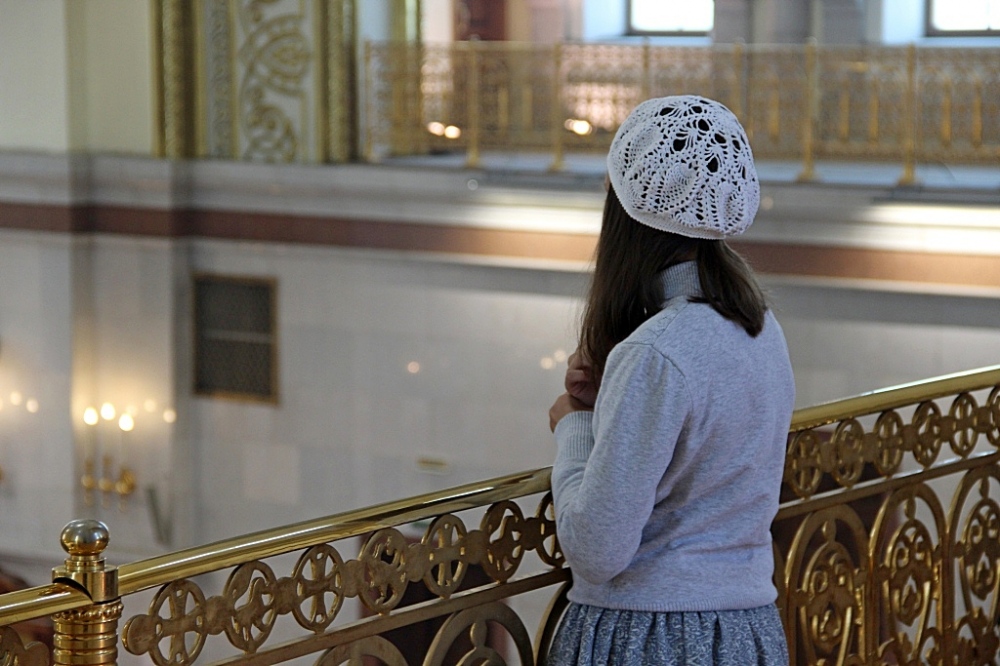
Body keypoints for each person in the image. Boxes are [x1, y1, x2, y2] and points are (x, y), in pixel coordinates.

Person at [546, 95, 795, 666]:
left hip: (653, 636)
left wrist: (575, 426)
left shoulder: (656, 350)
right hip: (747, 631)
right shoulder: (760, 329)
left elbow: (596, 549)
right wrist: (614, 399)